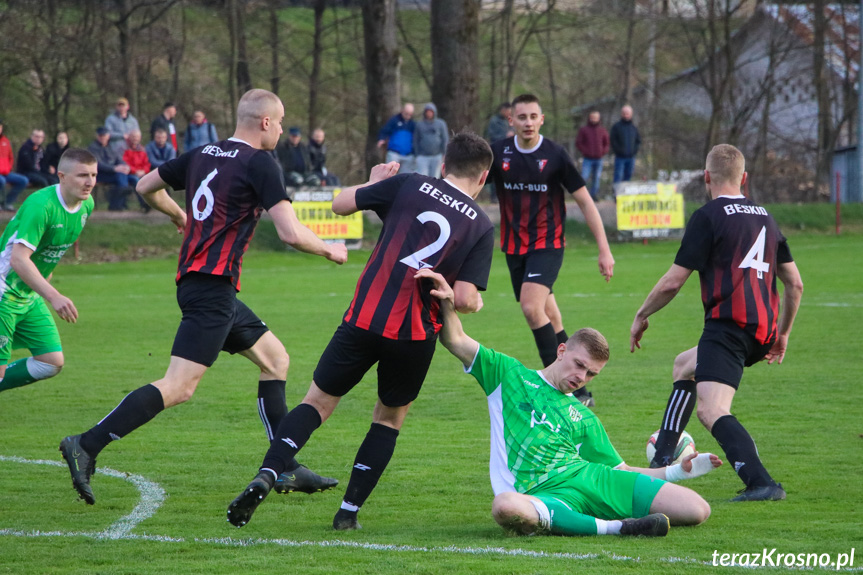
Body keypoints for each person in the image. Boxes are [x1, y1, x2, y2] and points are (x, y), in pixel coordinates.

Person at [60, 88, 348, 506]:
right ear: (265, 121)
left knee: (275, 359)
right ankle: (85, 443)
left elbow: (145, 185)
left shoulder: (202, 152)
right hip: (210, 290)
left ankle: (283, 465)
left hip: (207, 287)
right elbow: (288, 232)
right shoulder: (260, 163)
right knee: (178, 387)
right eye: (280, 121)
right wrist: (329, 248)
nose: (282, 130)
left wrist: (178, 213)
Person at [226, 132, 497, 531]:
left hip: (363, 319)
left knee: (316, 402)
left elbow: (339, 204)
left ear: (442, 165)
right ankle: (347, 514)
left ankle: (269, 473)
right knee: (388, 419)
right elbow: (465, 297)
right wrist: (471, 301)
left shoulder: (409, 184)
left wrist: (371, 183)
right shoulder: (481, 226)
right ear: (484, 176)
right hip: (413, 334)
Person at [418, 269, 721, 537]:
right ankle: (617, 528)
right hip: (543, 493)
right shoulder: (508, 374)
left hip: (596, 481)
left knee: (697, 510)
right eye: (579, 365)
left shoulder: (585, 418)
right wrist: (446, 301)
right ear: (561, 350)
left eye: (591, 373)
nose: (582, 377)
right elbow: (455, 340)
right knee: (505, 506)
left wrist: (678, 471)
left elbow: (622, 469)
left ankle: (578, 521)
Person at [630, 144, 804, 502]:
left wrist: (642, 314)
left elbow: (673, 281)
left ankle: (762, 483)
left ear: (706, 177)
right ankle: (663, 459)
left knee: (711, 410)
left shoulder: (708, 216)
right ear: (744, 178)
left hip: (728, 325)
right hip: (762, 329)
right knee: (684, 365)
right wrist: (782, 334)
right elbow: (795, 283)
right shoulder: (767, 218)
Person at [489, 94, 615, 407]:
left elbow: (585, 201)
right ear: (512, 121)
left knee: (532, 308)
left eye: (533, 116)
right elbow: (471, 182)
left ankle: (557, 388)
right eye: (522, 117)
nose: (528, 122)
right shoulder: (498, 153)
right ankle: (581, 393)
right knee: (550, 314)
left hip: (548, 243)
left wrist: (604, 250)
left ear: (542, 119)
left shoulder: (555, 155)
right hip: (514, 247)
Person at [0, 148, 96, 395]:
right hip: (4, 291)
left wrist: (45, 276)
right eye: (82, 175)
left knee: (51, 361)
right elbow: (19, 260)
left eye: (94, 175)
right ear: (62, 176)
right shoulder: (41, 205)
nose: (89, 183)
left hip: (27, 294)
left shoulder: (87, 206)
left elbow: (48, 249)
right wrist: (53, 296)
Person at [88, 126, 132, 211]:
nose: (103, 137)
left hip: (114, 174)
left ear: (108, 136)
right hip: (100, 175)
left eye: (104, 135)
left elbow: (119, 159)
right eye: (101, 136)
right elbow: (98, 165)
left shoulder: (111, 147)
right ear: (97, 136)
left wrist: (124, 166)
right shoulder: (92, 148)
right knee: (121, 178)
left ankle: (145, 205)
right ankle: (117, 204)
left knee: (133, 178)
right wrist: (114, 168)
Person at [575, 110, 609, 201]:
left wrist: (602, 151)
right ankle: (581, 196)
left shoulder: (602, 130)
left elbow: (607, 143)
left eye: (596, 118)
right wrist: (585, 151)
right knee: (584, 177)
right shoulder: (584, 130)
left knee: (596, 178)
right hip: (587, 159)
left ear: (598, 119)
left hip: (599, 158)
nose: (594, 119)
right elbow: (578, 143)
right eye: (592, 118)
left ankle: (594, 195)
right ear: (589, 118)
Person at [376, 103, 415, 173]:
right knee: (389, 174)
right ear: (402, 111)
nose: (408, 116)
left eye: (410, 114)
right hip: (394, 153)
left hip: (408, 155)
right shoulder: (394, 120)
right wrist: (381, 139)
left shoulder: (412, 124)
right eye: (406, 113)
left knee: (406, 178)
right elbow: (385, 130)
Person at [0, 120, 29, 211]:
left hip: (6, 172)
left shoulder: (5, 141)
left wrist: (8, 167)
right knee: (2, 181)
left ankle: (8, 202)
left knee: (23, 180)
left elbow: (10, 157)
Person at [413, 103, 448, 178]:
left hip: (437, 156)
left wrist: (444, 153)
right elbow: (415, 140)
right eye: (427, 111)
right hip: (422, 156)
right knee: (422, 178)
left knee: (434, 178)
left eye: (431, 111)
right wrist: (416, 155)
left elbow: (445, 139)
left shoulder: (441, 124)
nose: (429, 113)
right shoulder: (419, 125)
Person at [610, 105, 641, 185]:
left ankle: (625, 195)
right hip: (620, 157)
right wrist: (618, 150)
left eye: (627, 113)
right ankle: (616, 194)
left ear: (631, 114)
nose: (626, 115)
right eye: (624, 113)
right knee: (618, 176)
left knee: (628, 176)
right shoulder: (616, 127)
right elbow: (612, 140)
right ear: (621, 114)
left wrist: (634, 151)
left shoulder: (633, 127)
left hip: (631, 157)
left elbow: (638, 141)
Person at [122, 129, 151, 211]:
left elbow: (147, 164)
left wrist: (143, 171)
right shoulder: (125, 149)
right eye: (134, 136)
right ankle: (144, 203)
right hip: (130, 175)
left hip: (142, 173)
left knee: (152, 180)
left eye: (137, 137)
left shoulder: (142, 150)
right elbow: (125, 164)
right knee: (136, 180)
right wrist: (135, 171)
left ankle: (152, 203)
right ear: (129, 137)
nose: (135, 139)